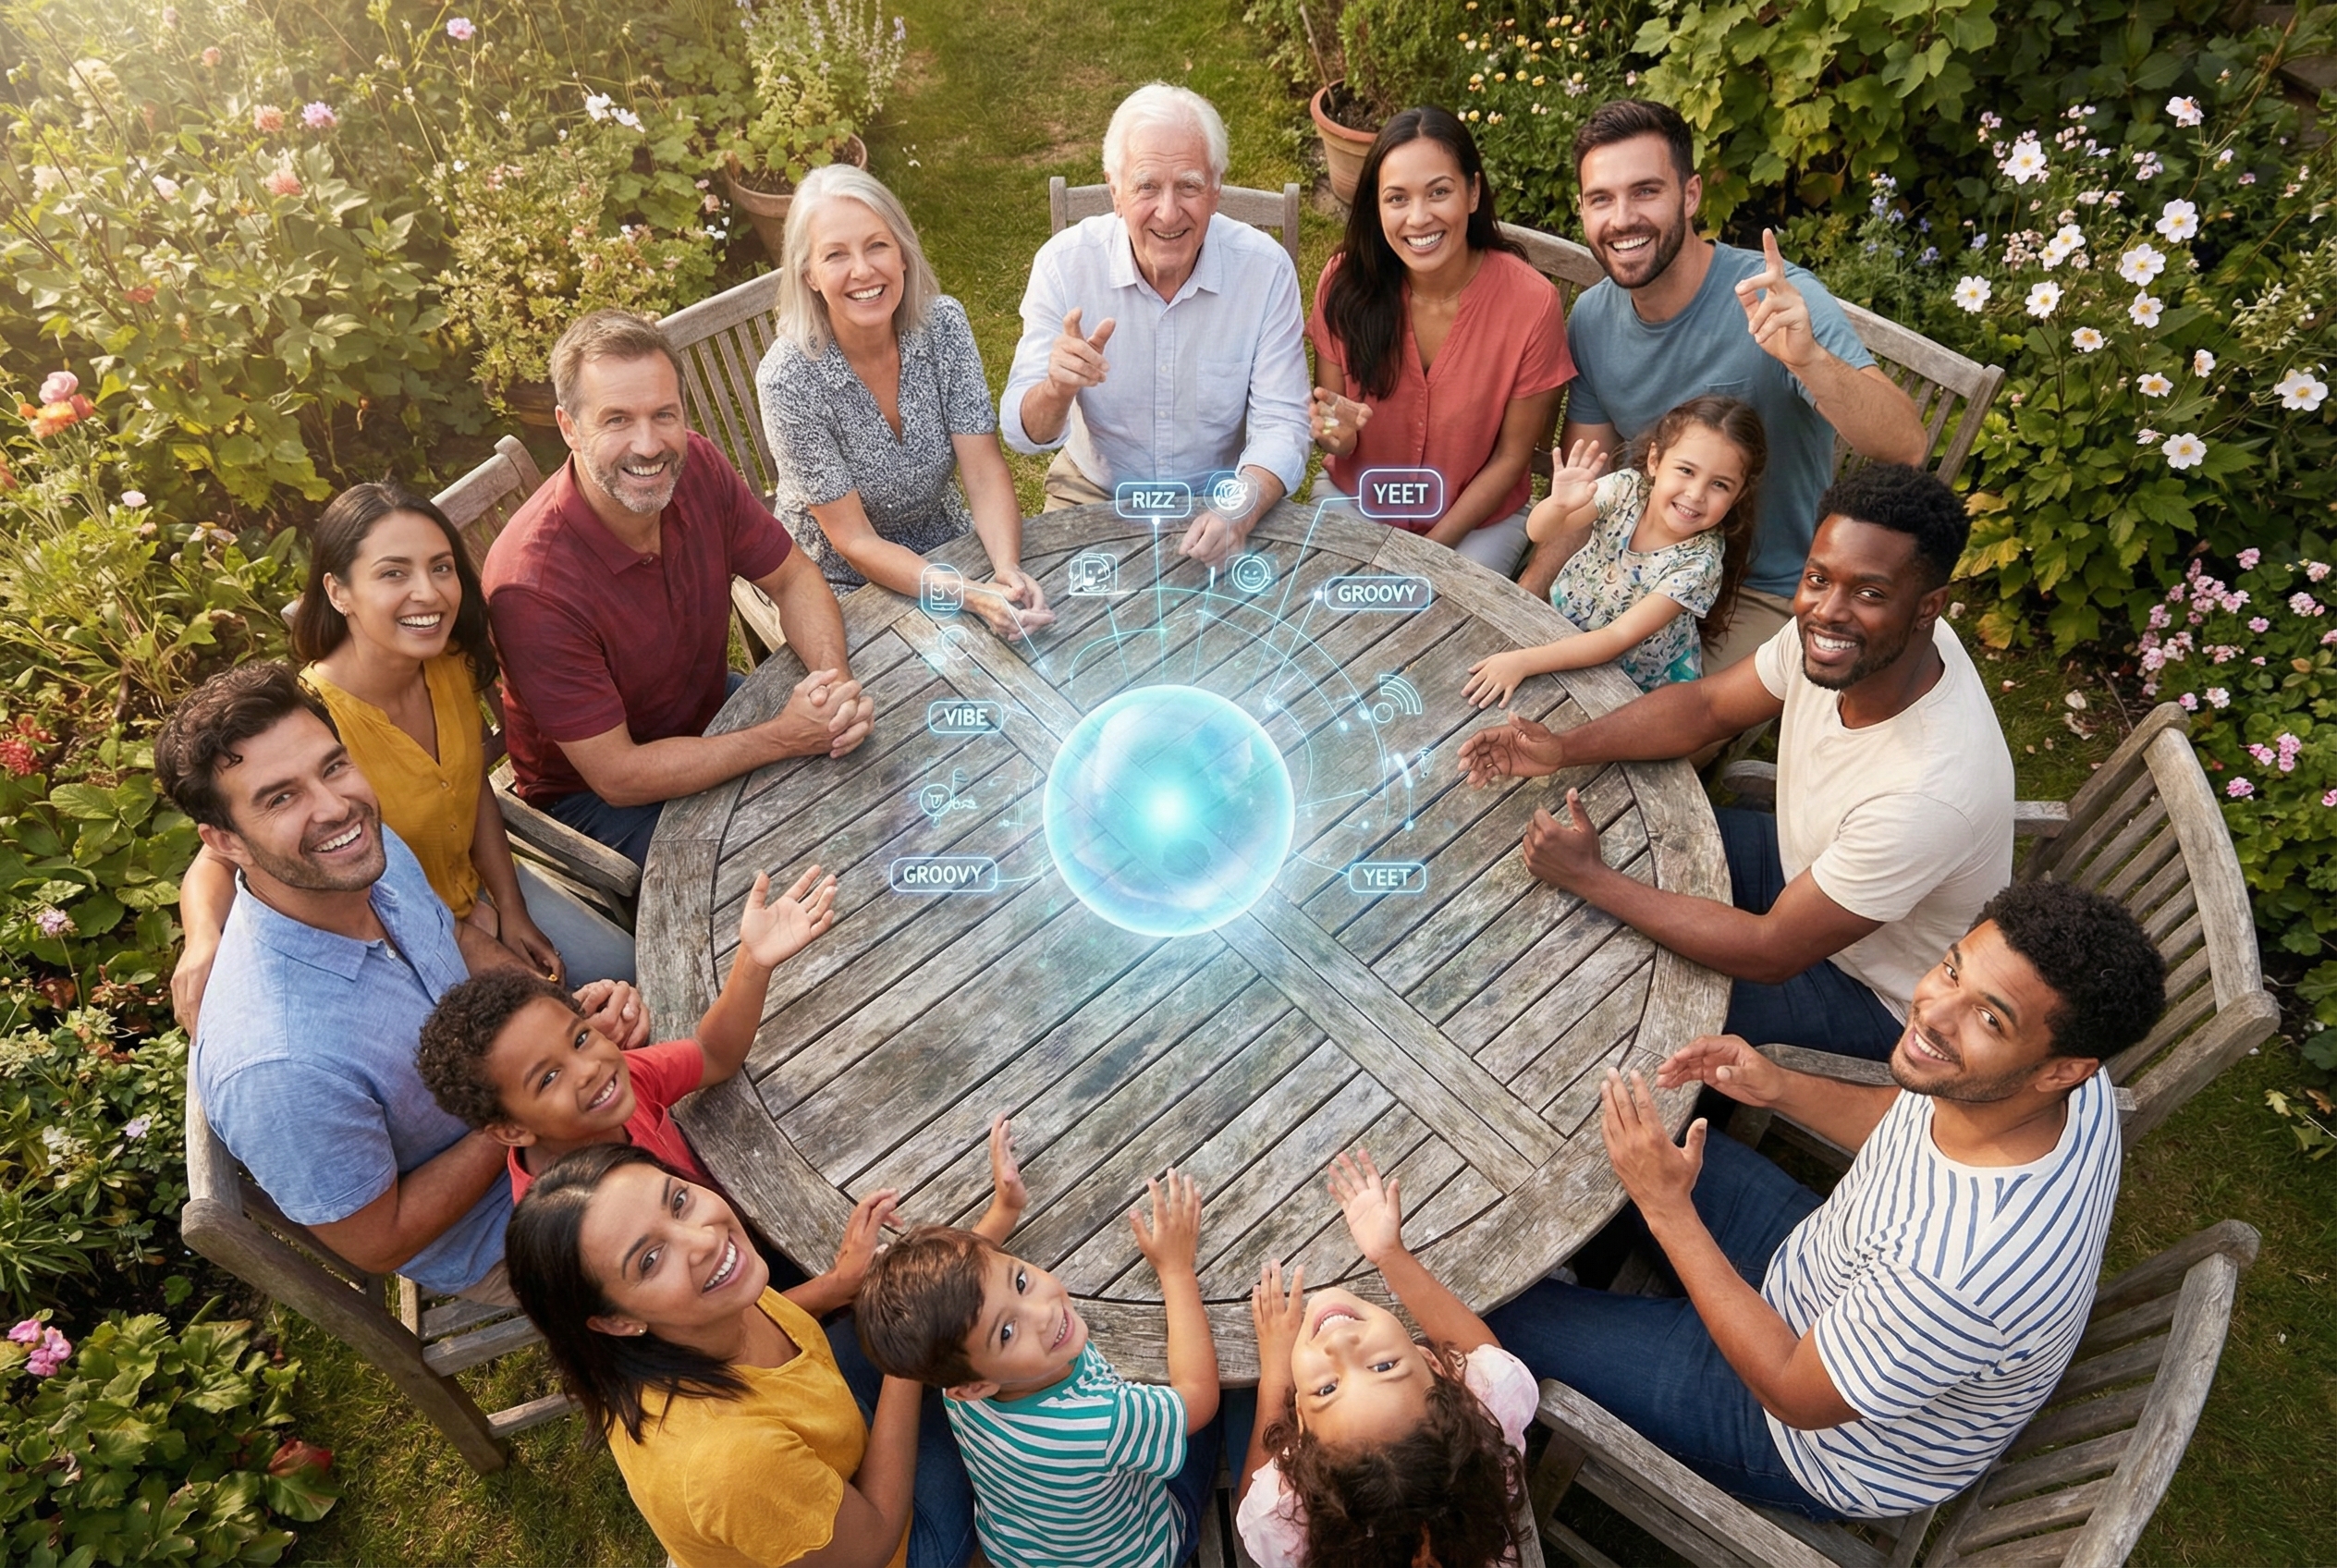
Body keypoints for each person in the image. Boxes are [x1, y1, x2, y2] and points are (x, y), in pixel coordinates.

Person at [1487, 882, 2166, 1520]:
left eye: (1989, 1018)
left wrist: (1669, 1212)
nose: (1933, 1012)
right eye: (1954, 971)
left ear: (2061, 1069)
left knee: (1489, 1308)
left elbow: (1790, 1390)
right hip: (1832, 1271)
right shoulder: (2069, 1097)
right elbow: (1910, 1126)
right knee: (1597, 1125)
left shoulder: (1955, 1276)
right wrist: (1779, 1086)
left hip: (1814, 1436)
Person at [1461, 463, 2013, 1062]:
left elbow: (1770, 950)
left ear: (1929, 607)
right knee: (1595, 834)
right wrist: (1563, 747)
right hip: (1801, 865)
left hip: (1866, 983)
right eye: (1818, 578)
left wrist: (1591, 878)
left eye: (1870, 593)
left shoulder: (1928, 796)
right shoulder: (1847, 640)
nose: (1828, 611)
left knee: (1605, 994)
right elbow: (1708, 706)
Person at [154, 664, 647, 1305]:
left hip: (558, 1116)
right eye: (281, 798)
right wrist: (524, 1101)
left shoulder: (365, 853)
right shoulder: (278, 1064)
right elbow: (380, 1241)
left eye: (333, 767)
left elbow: (459, 940)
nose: (334, 808)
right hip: (512, 1228)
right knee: (747, 1223)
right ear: (225, 842)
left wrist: (560, 1021)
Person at [170, 484, 638, 1034]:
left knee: (626, 972)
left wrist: (510, 909)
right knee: (568, 1035)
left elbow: (471, 789)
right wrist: (202, 941)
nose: (430, 593)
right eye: (394, 573)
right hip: (405, 938)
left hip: (482, 886)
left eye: (441, 568)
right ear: (338, 591)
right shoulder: (311, 718)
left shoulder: (447, 662)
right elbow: (221, 852)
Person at [1523, 99, 1927, 674]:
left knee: (1637, 737)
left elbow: (1906, 445)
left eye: (1645, 191)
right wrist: (1525, 600)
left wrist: (1811, 360)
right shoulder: (1592, 318)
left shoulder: (1771, 297)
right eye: (1601, 199)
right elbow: (1585, 497)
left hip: (1763, 590)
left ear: (1689, 196)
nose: (1621, 219)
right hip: (1634, 563)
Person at [484, 309, 876, 867]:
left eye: (663, 414)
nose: (649, 445)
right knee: (795, 856)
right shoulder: (532, 587)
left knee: (871, 767)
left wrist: (830, 686)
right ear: (569, 428)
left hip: (708, 710)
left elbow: (793, 578)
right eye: (616, 419)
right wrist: (785, 737)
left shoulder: (696, 466)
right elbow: (619, 775)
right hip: (599, 800)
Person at [507, 1145, 976, 1568]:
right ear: (616, 1320)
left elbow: (774, 1311)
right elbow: (871, 1546)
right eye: (649, 1260)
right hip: (889, 1544)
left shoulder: (700, 1314)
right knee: (1000, 1412)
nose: (704, 1240)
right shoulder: (733, 1462)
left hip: (821, 1452)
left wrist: (836, 1285)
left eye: (678, 1202)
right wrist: (908, 1353)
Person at [856, 1124, 1221, 1568]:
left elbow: (970, 1296)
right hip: (1135, 1555)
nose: (1044, 1313)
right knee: (1219, 1416)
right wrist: (1176, 1269)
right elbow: (1198, 1397)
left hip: (1019, 1551)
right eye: (1008, 1333)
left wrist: (1005, 1208)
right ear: (973, 1385)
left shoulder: (962, 1376)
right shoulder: (1103, 1418)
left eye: (1022, 1281)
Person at [999, 83, 1310, 569]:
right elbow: (1022, 432)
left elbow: (1283, 425)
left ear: (1215, 188)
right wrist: (1056, 390)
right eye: (1147, 186)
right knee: (1057, 631)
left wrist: (1238, 508)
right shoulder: (1064, 264)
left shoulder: (1265, 270)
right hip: (1094, 491)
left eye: (1188, 185)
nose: (1169, 213)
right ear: (1115, 192)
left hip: (1220, 497)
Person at [757, 165, 1055, 640]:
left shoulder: (944, 325)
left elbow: (981, 469)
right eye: (836, 255)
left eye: (877, 245)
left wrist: (1006, 570)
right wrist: (971, 595)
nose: (863, 270)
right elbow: (852, 539)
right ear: (809, 275)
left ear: (902, 254)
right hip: (838, 576)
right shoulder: (787, 379)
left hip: (942, 536)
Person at [416, 864, 835, 1201]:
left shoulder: (619, 1082)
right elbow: (707, 1308)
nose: (588, 1068)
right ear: (511, 1132)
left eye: (580, 1038)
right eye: (548, 1078)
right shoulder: (582, 1221)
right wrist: (835, 1286)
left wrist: (753, 963)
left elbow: (713, 1056)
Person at [1306, 106, 1572, 579]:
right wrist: (1336, 435)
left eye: (1439, 192)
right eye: (1396, 198)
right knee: (1330, 625)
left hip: (1475, 526)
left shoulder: (1532, 304)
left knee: (1445, 636)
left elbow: (1512, 458)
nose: (1418, 218)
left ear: (1472, 192)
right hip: (1357, 502)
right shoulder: (1343, 282)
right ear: (1377, 206)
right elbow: (1334, 423)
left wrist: (1428, 551)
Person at [1235, 1150, 1535, 1568]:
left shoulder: (1286, 1517)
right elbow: (1484, 1355)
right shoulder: (1486, 1417)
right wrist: (1391, 1255)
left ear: (1298, 1433)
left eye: (1326, 1389)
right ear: (1436, 1365)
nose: (1339, 1345)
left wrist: (1275, 1371)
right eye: (1383, 1367)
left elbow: (1249, 1505)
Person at [1463, 397, 1764, 706]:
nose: (1696, 493)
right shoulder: (1627, 488)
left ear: (1738, 494)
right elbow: (1539, 531)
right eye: (1686, 470)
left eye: (1720, 485)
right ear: (1655, 461)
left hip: (1625, 684)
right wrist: (1557, 506)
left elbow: (1616, 639)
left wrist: (1523, 662)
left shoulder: (1700, 563)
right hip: (1558, 627)